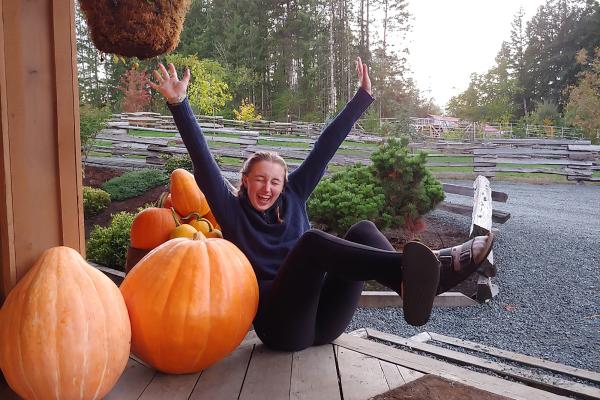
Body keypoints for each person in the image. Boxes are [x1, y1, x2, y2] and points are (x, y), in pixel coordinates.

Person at [149, 58, 494, 352]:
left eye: (274, 181)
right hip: (281, 327)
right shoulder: (232, 209)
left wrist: (363, 98)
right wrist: (180, 104)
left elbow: (325, 145)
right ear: (244, 182)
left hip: (325, 322)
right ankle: (411, 272)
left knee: (363, 230)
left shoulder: (295, 194)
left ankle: (408, 281)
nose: (267, 188)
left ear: (285, 184)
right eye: (259, 180)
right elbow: (203, 161)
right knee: (311, 243)